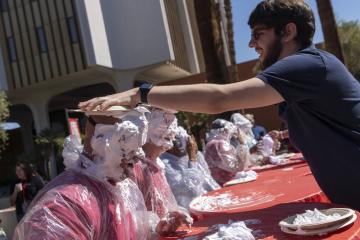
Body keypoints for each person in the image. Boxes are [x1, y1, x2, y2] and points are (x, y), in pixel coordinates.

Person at [79, 0, 360, 210]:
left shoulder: (307, 65)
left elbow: (220, 98)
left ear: (288, 31)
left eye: (258, 34)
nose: (251, 43)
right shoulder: (300, 80)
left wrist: (141, 94)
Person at [13, 108, 182, 239]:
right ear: (99, 140)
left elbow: (128, 227)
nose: (138, 157)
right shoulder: (63, 205)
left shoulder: (121, 187)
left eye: (139, 147)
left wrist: (156, 228)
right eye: (127, 147)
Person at [132, 108, 193, 235]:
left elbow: (165, 205)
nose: (171, 130)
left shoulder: (158, 164)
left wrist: (177, 214)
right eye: (164, 122)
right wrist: (156, 227)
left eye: (172, 122)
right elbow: (133, 216)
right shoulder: (137, 167)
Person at [160, 126, 220, 208]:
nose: (180, 144)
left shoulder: (190, 155)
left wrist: (195, 155)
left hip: (206, 202)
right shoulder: (165, 163)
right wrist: (192, 159)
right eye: (176, 141)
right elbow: (191, 190)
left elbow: (207, 176)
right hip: (189, 210)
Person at [204, 119, 250, 185]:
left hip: (218, 183)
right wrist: (242, 143)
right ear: (225, 130)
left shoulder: (211, 143)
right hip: (227, 183)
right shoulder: (220, 144)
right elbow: (238, 168)